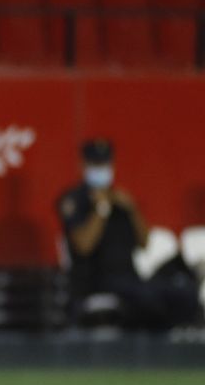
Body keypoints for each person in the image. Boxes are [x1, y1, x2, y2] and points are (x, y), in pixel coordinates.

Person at [57, 138, 200, 330]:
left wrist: (133, 210)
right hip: (95, 280)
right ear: (83, 165)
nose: (102, 169)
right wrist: (101, 209)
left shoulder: (121, 202)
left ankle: (176, 347)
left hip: (130, 278)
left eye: (105, 163)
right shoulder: (75, 200)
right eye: (96, 164)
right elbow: (84, 246)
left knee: (184, 293)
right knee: (148, 299)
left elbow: (144, 242)